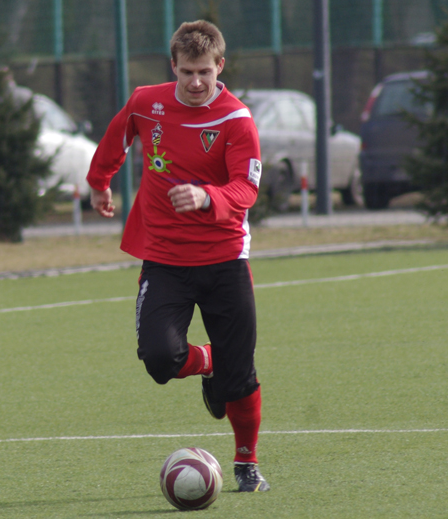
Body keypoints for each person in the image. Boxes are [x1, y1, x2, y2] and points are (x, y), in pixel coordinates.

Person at [86, 20, 269, 492]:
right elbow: (116, 137)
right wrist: (99, 182)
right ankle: (207, 360)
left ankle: (246, 463)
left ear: (220, 66)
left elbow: (246, 188)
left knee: (239, 377)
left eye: (204, 71)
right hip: (165, 258)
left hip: (225, 258)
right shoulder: (146, 102)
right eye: (187, 71)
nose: (196, 82)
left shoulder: (236, 119)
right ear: (173, 66)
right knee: (158, 359)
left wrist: (209, 196)